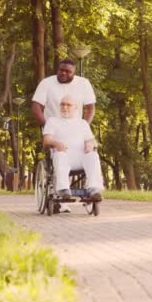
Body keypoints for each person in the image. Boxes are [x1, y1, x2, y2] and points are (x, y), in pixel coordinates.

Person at [32, 58, 98, 211]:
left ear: (74, 73)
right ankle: (62, 195)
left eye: (68, 71)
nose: (63, 73)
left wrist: (83, 128)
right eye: (61, 70)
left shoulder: (83, 84)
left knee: (91, 154)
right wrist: (48, 126)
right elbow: (36, 106)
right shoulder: (47, 83)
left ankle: (93, 190)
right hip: (54, 130)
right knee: (60, 155)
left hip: (76, 129)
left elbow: (90, 108)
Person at [42, 95, 104, 200]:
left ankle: (93, 189)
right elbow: (46, 140)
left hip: (80, 157)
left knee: (93, 155)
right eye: (62, 104)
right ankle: (63, 189)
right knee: (60, 155)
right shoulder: (52, 121)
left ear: (76, 107)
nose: (65, 107)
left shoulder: (82, 123)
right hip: (62, 156)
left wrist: (91, 144)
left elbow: (93, 141)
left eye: (68, 105)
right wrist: (56, 143)